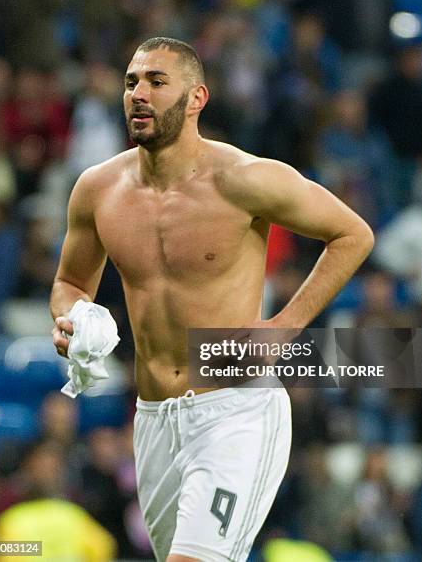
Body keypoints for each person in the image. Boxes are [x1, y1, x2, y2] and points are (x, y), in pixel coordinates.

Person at [50, 37, 374, 562]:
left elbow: (353, 234)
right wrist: (69, 319)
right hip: (152, 417)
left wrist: (287, 324)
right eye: (132, 81)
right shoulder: (97, 189)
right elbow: (70, 284)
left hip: (235, 409)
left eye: (157, 82)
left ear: (197, 97)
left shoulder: (245, 179)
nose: (139, 94)